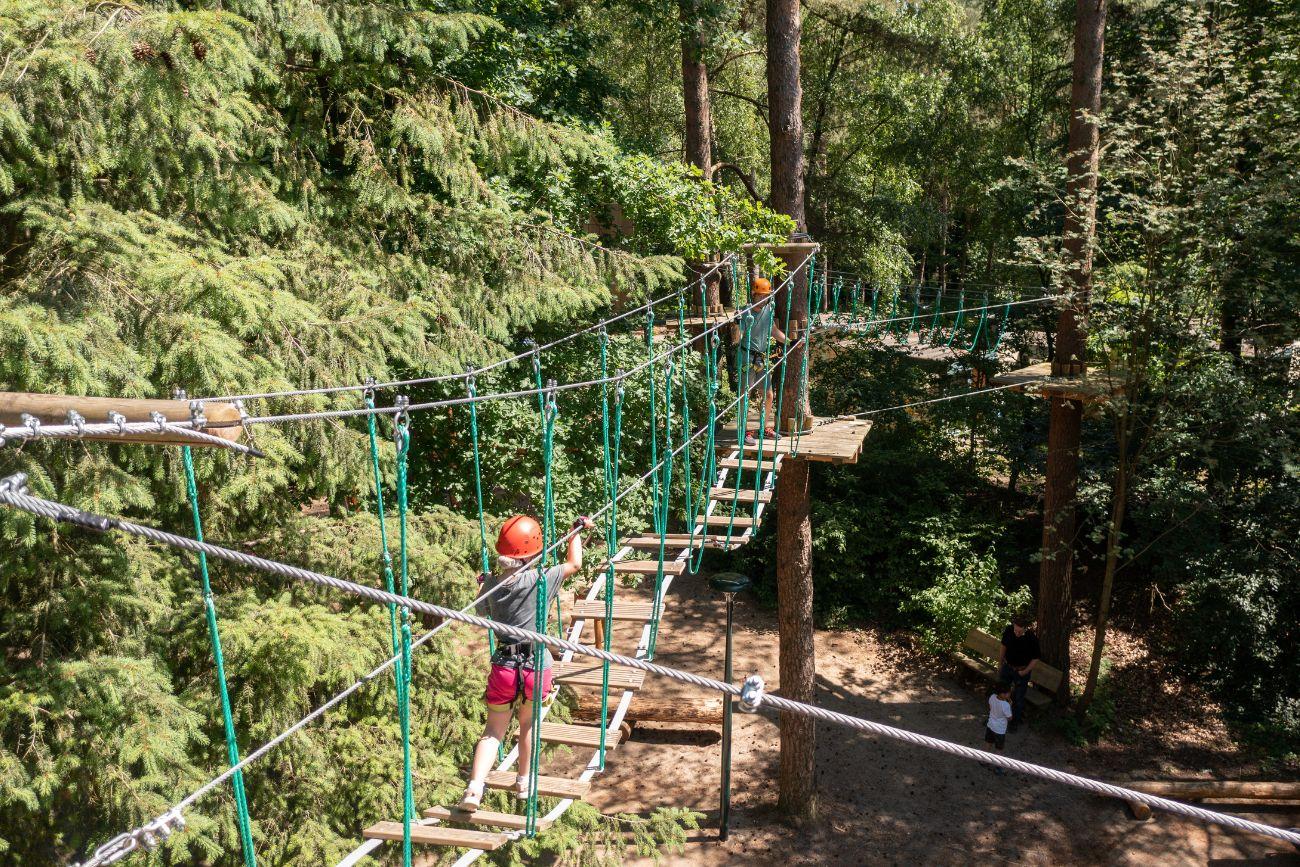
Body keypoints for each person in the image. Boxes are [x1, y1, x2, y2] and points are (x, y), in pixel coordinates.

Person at [457, 513, 595, 809]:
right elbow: (575, 564)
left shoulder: (492, 585)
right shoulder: (541, 579)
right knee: (528, 726)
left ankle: (473, 789)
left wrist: (482, 583)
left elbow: (483, 611)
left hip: (504, 667)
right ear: (534, 552)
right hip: (536, 665)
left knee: (493, 731)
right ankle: (524, 784)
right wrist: (575, 533)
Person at [740, 276, 788, 446]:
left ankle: (763, 428)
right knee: (745, 395)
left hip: (761, 358)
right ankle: (744, 432)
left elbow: (774, 331)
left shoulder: (768, 310)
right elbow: (737, 337)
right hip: (746, 357)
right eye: (760, 296)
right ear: (753, 295)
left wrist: (790, 342)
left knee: (768, 395)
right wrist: (735, 326)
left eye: (766, 296)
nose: (763, 299)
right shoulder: (746, 312)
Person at [999, 613, 1041, 729]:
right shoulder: (1008, 630)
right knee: (1001, 693)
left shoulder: (1031, 638)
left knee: (1018, 698)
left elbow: (1035, 658)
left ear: (1025, 629)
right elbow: (1003, 646)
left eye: (1019, 631)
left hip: (1022, 671)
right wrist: (1000, 662)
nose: (1017, 633)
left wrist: (1025, 671)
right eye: (1015, 630)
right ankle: (997, 717)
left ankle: (1014, 722)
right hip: (1007, 667)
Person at [983, 681, 1013, 772]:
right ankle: (998, 767)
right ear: (1003, 694)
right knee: (999, 749)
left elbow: (991, 707)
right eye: (1009, 693)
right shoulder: (1006, 705)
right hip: (999, 730)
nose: (1010, 694)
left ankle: (983, 760)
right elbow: (1009, 718)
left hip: (990, 725)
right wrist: (1010, 706)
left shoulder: (992, 697)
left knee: (988, 743)